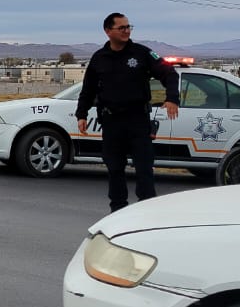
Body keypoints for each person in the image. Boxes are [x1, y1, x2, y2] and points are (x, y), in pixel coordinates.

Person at [75, 13, 180, 211]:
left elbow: (169, 73)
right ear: (108, 31)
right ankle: (118, 212)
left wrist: (172, 98)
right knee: (114, 169)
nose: (126, 31)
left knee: (144, 169)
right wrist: (81, 114)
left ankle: (146, 212)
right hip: (111, 122)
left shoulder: (142, 53)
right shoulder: (99, 58)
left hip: (137, 120)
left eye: (128, 27)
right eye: (121, 27)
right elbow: (88, 89)